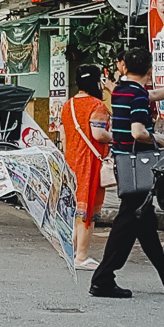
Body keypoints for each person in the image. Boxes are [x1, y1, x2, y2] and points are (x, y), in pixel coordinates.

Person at [90, 48, 164, 299]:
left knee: (144, 223)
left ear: (124, 67)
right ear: (150, 70)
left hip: (125, 162)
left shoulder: (122, 91)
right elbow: (138, 132)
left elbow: (154, 94)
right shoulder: (137, 96)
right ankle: (102, 279)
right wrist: (157, 138)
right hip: (138, 164)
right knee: (126, 224)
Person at [59, 65, 111, 269]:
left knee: (75, 211)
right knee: (87, 212)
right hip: (89, 161)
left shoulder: (68, 105)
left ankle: (72, 253)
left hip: (71, 160)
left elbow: (63, 137)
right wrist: (113, 137)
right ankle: (81, 255)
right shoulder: (97, 105)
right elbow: (98, 135)